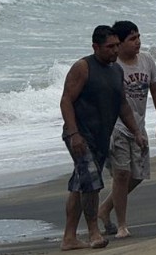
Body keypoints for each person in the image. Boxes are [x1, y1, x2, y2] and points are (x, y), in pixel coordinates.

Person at [59, 24, 146, 250]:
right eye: (110, 47)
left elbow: (122, 106)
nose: (115, 51)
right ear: (95, 47)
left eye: (117, 45)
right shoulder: (83, 67)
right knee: (91, 183)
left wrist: (136, 131)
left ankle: (69, 238)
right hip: (79, 135)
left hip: (100, 137)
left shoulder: (116, 70)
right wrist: (74, 133)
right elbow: (66, 100)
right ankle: (94, 233)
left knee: (80, 185)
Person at [97, 20, 156, 239]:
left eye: (139, 37)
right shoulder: (112, 66)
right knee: (122, 174)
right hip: (115, 128)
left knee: (137, 175)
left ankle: (105, 208)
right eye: (132, 39)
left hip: (138, 126)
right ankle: (122, 226)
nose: (138, 42)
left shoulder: (147, 62)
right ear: (119, 43)